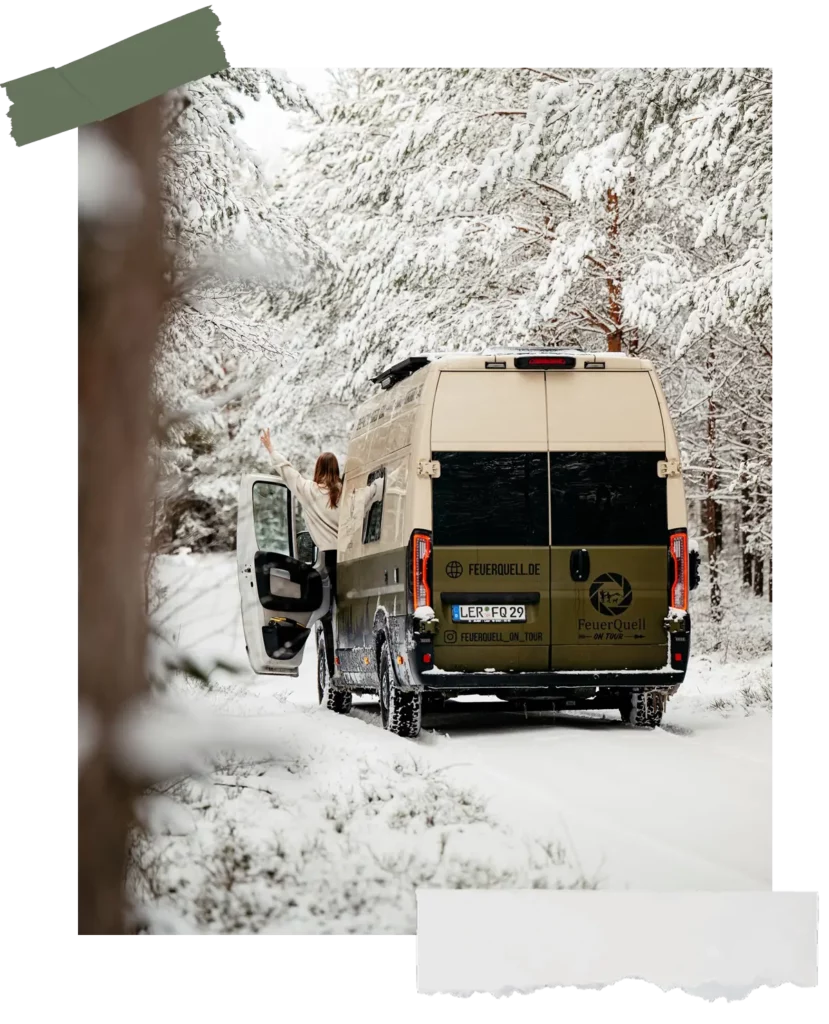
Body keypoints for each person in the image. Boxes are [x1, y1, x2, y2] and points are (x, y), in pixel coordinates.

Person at [259, 429, 383, 680]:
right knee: (355, 615)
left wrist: (271, 449)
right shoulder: (350, 495)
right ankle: (364, 665)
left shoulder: (310, 491)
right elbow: (375, 491)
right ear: (337, 470)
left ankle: (335, 672)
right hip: (352, 561)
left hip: (328, 562)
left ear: (318, 470)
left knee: (330, 618)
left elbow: (288, 472)